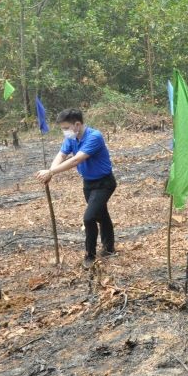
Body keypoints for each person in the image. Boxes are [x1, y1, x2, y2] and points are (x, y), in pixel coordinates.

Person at [35, 108, 117, 268]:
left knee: (89, 217)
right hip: (88, 183)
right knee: (101, 215)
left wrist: (51, 171)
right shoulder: (72, 139)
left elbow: (75, 160)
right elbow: (62, 155)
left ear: (77, 124)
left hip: (104, 183)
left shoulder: (94, 136)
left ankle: (90, 255)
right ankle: (109, 249)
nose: (64, 132)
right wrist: (51, 172)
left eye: (66, 128)